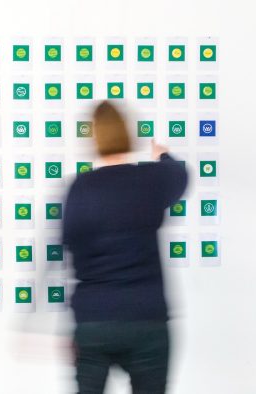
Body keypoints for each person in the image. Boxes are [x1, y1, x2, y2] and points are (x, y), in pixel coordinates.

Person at [63, 101, 188, 394]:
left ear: (94, 138)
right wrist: (163, 155)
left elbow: (68, 242)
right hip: (147, 317)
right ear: (127, 134)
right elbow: (181, 177)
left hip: (94, 319)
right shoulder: (151, 179)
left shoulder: (81, 188)